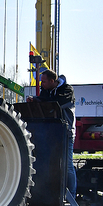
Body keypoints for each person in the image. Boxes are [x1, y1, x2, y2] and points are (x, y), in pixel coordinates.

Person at [27, 69, 76, 197]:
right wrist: (35, 100)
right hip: (50, 132)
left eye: (43, 82)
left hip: (66, 132)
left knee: (67, 165)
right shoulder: (47, 91)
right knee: (47, 163)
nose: (41, 84)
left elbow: (56, 104)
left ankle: (71, 195)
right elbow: (44, 100)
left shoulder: (67, 90)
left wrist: (39, 101)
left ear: (52, 81)